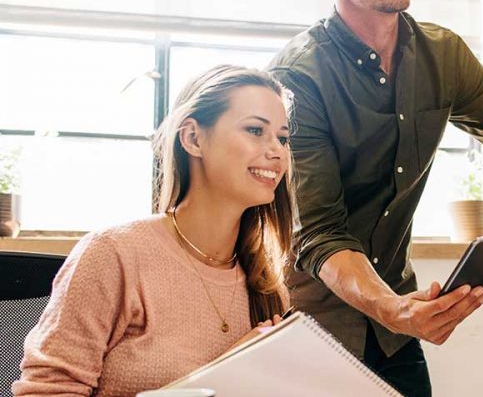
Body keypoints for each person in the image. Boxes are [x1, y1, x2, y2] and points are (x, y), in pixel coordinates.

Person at [265, 0, 483, 394]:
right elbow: (320, 233)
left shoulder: (442, 55)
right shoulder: (298, 76)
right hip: (313, 330)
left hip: (393, 330)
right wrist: (397, 309)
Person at [14, 66, 296, 397]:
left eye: (283, 137)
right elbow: (44, 393)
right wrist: (223, 374)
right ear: (193, 138)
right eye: (254, 130)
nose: (277, 151)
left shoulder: (266, 284)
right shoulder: (113, 254)